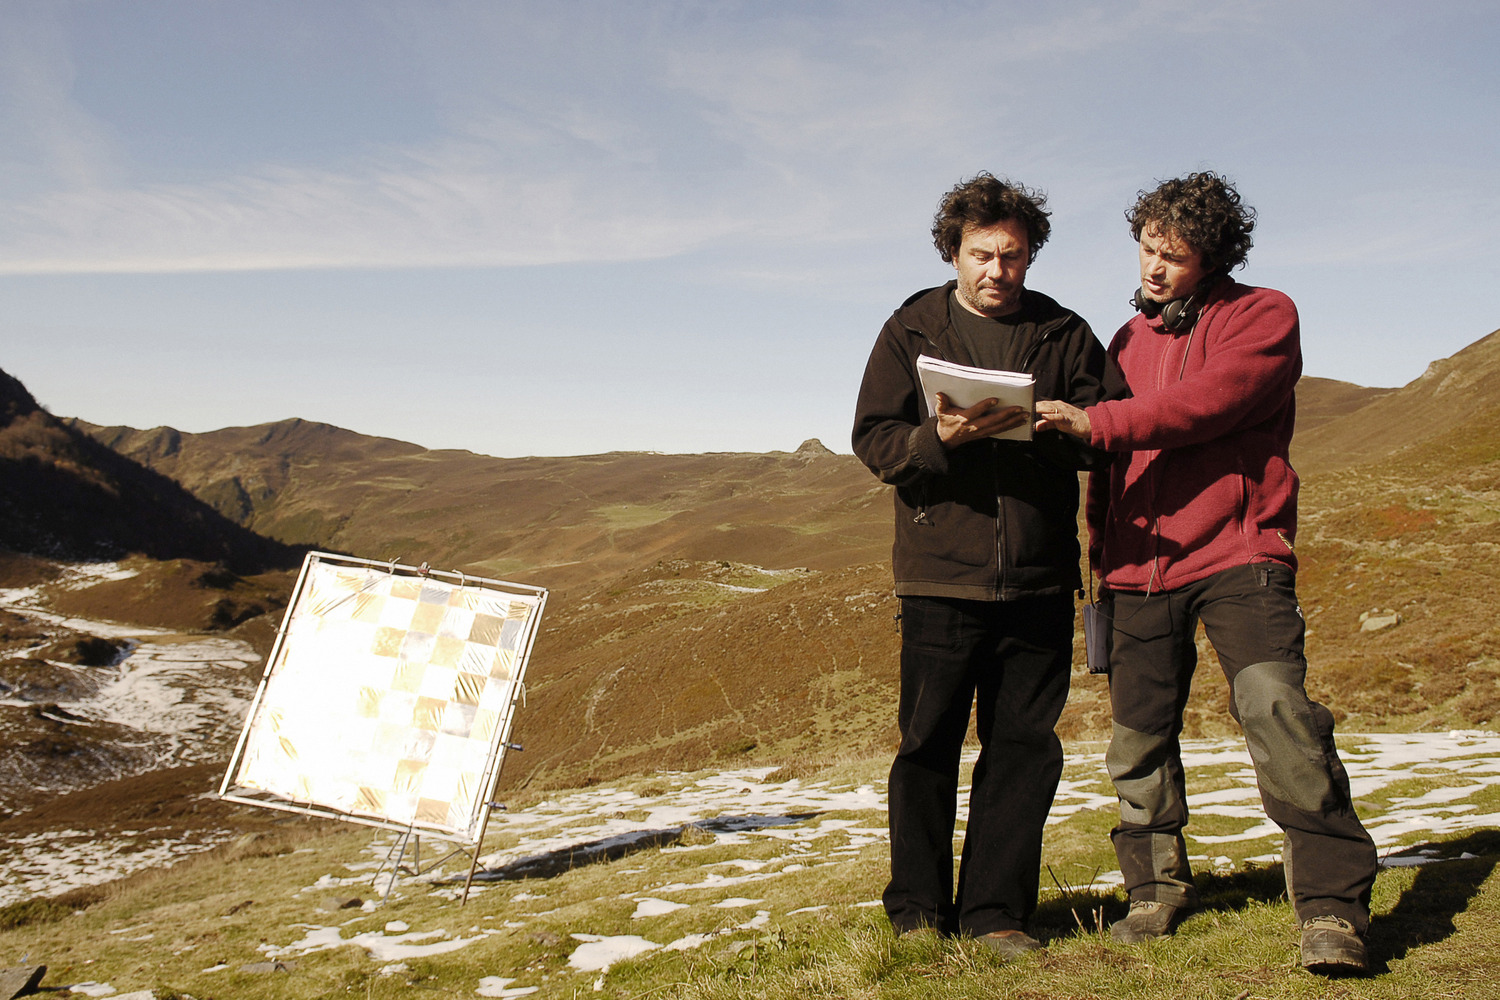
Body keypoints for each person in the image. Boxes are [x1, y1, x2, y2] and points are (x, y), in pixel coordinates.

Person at [1034, 172, 1378, 974]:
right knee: (1137, 736)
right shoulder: (1125, 342)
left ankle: (1331, 909)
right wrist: (1100, 557)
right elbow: (1107, 472)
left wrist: (1096, 420)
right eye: (1147, 248)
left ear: (1213, 259)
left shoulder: (1262, 315)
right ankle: (1153, 890)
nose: (1153, 268)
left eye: (1174, 256)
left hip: (1238, 556)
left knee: (1279, 713)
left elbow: (1208, 403)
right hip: (1135, 570)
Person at [852, 173, 1121, 956]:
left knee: (1023, 751)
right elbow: (874, 442)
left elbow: (1111, 427)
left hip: (1038, 579)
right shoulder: (911, 329)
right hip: (941, 575)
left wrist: (1066, 426)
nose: (997, 271)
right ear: (955, 252)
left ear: (1030, 256)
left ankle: (997, 915)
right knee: (926, 748)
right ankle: (916, 913)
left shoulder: (1065, 331)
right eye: (981, 254)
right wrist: (940, 441)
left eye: (1012, 255)